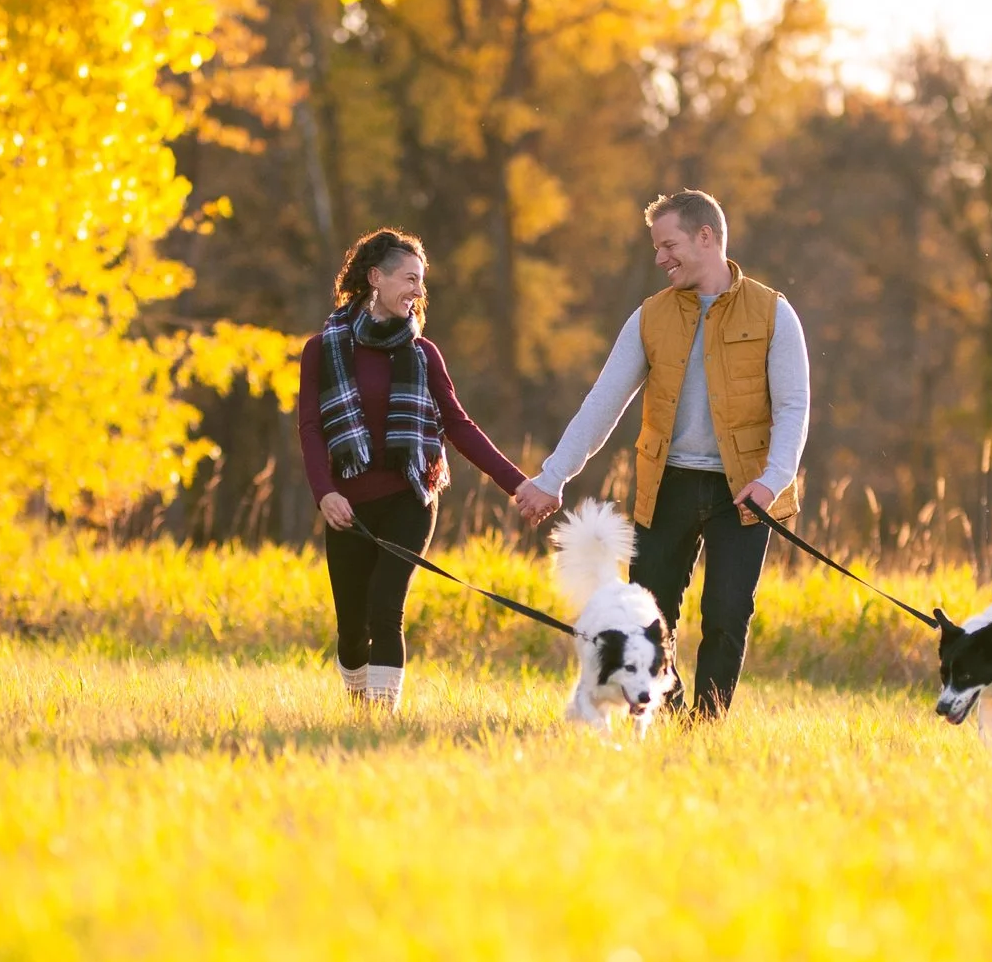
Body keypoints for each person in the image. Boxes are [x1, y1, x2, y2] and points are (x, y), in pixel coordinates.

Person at [510, 190, 809, 718]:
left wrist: (773, 480)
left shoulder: (773, 313)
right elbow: (604, 402)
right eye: (656, 247)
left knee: (727, 614)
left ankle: (708, 724)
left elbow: (793, 407)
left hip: (744, 492)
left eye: (668, 244)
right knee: (649, 612)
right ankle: (663, 715)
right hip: (665, 485)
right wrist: (553, 476)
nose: (659, 257)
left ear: (705, 237)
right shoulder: (650, 317)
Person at [298, 228, 529, 712]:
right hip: (347, 505)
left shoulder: (423, 354)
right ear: (375, 278)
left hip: (409, 498)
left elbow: (459, 427)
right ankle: (359, 710)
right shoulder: (322, 349)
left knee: (386, 609)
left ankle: (380, 720)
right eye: (409, 279)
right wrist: (325, 493)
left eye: (421, 282)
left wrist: (519, 484)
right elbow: (311, 429)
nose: (418, 292)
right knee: (351, 624)